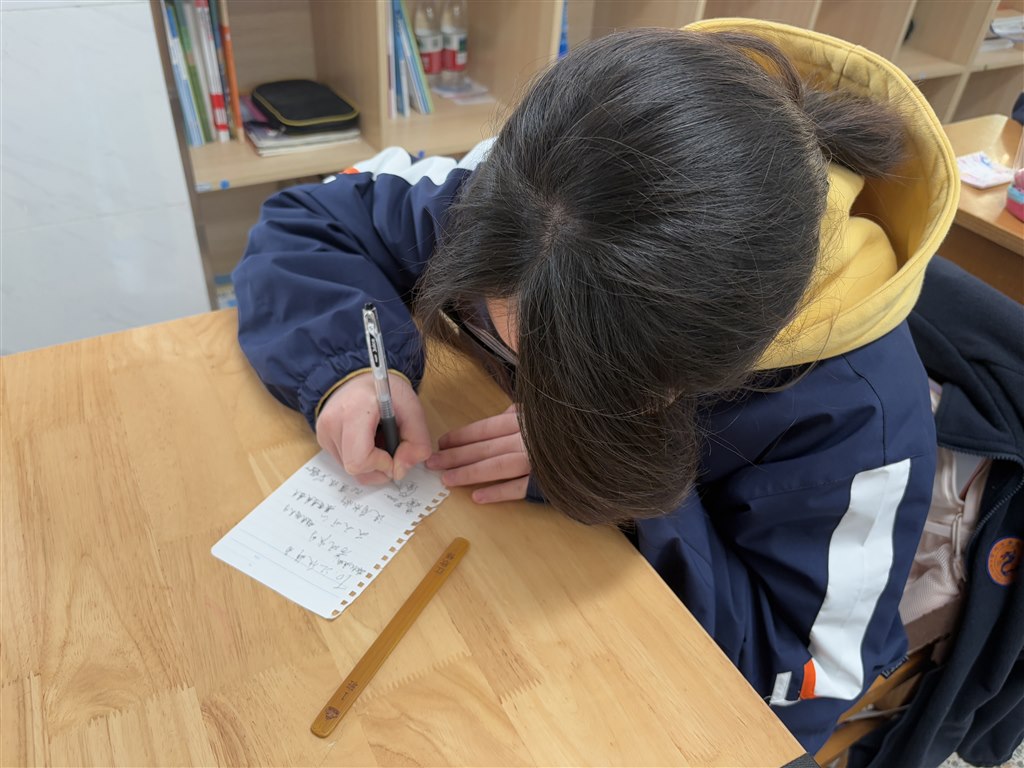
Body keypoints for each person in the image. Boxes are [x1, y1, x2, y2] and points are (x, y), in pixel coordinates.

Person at [233, 19, 957, 752]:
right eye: (504, 337)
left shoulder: (859, 418)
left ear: (709, 366)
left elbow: (803, 680)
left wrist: (607, 472)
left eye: (583, 387)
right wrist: (350, 371)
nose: (539, 390)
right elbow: (312, 223)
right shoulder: (534, 213)